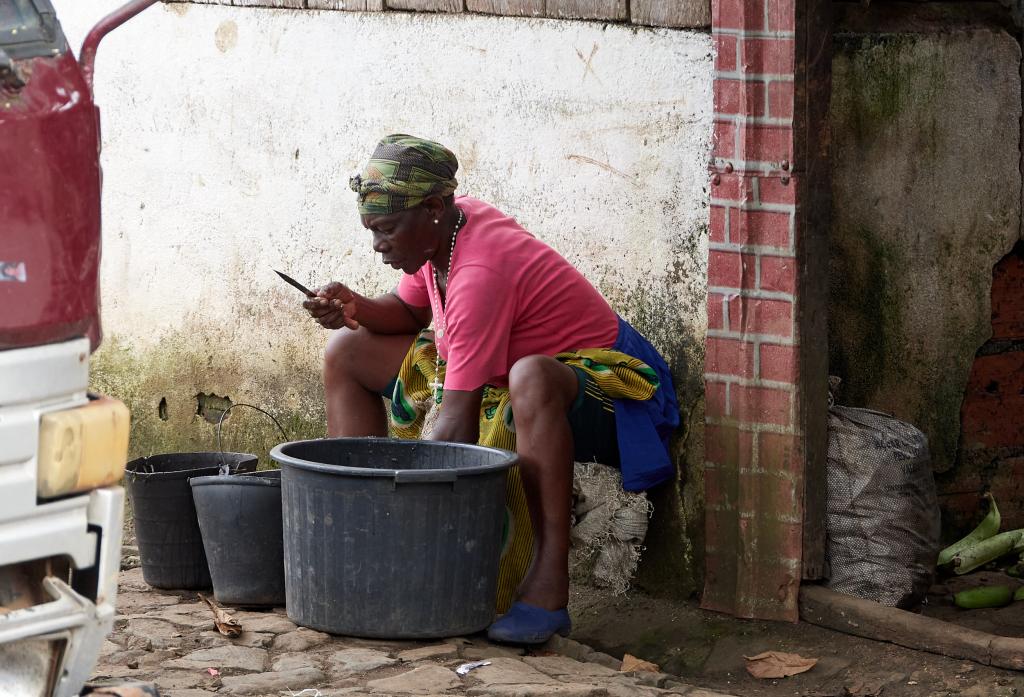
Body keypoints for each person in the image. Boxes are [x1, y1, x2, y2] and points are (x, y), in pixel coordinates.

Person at [304, 134, 679, 644]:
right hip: (509, 376)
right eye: (372, 231)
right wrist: (354, 307)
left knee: (530, 376)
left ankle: (548, 581)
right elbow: (412, 312)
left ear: (433, 207)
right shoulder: (448, 232)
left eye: (387, 230)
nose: (378, 245)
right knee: (346, 350)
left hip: (613, 395)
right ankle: (356, 533)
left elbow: (455, 426)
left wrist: (402, 520)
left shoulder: (480, 270)